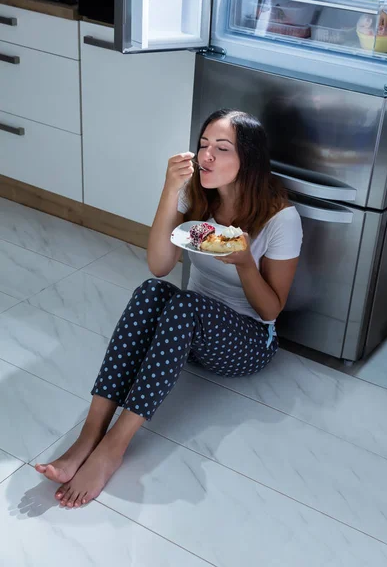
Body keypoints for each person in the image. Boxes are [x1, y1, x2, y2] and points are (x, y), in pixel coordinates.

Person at [35, 109, 303, 508]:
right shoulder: (196, 193)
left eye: (221, 149)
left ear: (248, 161)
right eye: (203, 145)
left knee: (185, 306)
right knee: (150, 291)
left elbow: (270, 312)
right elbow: (160, 265)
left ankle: (113, 447)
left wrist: (246, 262)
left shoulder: (282, 219)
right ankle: (88, 436)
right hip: (184, 332)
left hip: (246, 343)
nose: (206, 156)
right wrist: (168, 188)